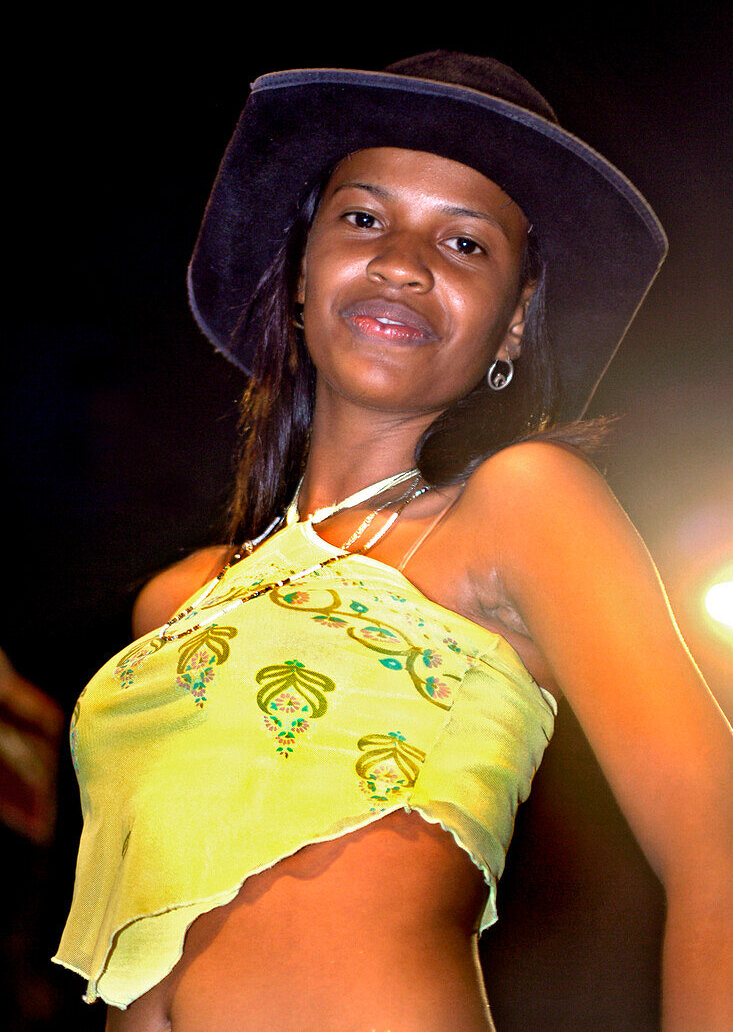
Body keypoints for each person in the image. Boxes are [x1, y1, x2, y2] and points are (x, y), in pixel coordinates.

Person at [54, 52, 732, 1031]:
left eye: (463, 244)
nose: (402, 262)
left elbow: (715, 839)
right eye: (363, 218)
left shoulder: (516, 506)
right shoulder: (176, 602)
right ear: (297, 274)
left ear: (511, 327)